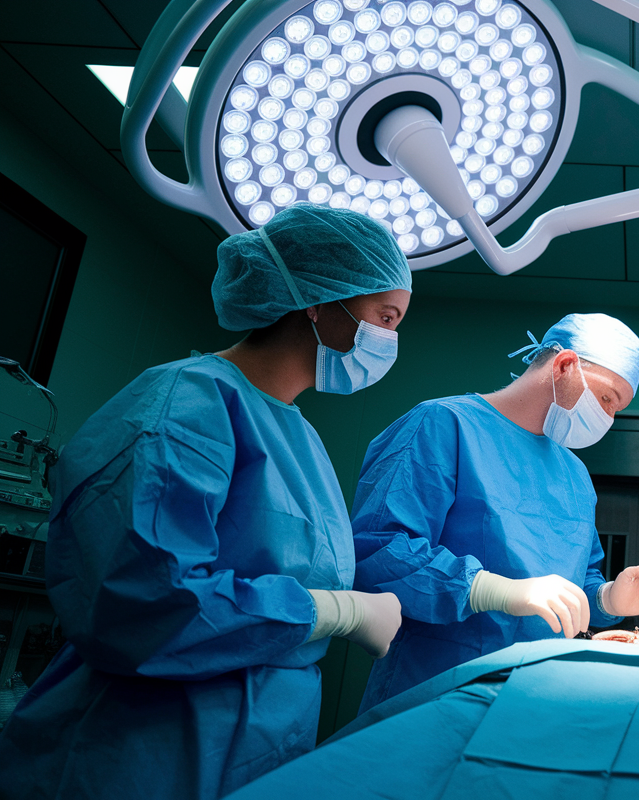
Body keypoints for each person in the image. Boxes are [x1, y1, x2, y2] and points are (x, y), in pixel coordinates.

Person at [0, 205, 413, 799]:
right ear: (320, 300)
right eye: (385, 316)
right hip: (141, 750)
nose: (389, 339)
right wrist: (336, 612)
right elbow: (143, 601)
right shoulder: (182, 409)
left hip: (255, 744)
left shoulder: (296, 434)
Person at [350, 313, 639, 712]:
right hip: (435, 693)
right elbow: (379, 553)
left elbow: (571, 586)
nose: (608, 416)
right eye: (606, 397)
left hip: (536, 700)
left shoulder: (575, 475)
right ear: (566, 366)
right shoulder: (444, 425)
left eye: (616, 408)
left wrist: (608, 599)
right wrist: (491, 590)